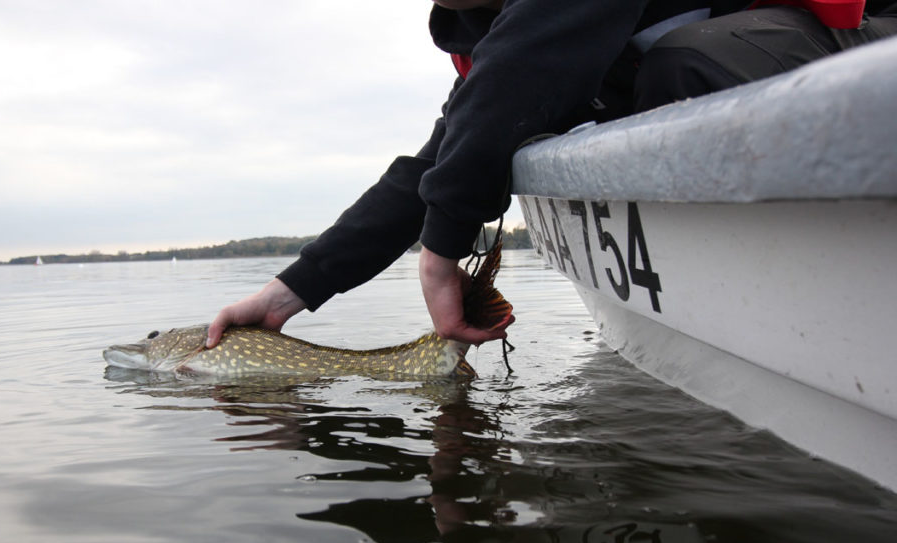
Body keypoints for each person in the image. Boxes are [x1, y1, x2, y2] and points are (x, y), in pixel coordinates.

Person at [205, 0, 897, 350]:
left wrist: (443, 252)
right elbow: (441, 160)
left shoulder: (528, 46)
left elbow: (519, 77)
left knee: (683, 64)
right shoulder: (501, 46)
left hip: (857, 57)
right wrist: (290, 291)